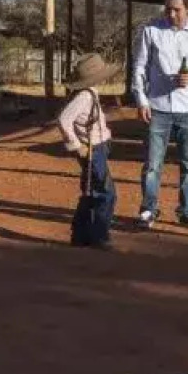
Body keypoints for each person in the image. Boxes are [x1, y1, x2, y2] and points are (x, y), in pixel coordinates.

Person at [130, 0, 188, 229]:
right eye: (168, 9)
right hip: (157, 108)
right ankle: (148, 209)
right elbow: (139, 67)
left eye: (177, 9)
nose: (171, 14)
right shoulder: (152, 31)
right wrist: (141, 100)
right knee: (152, 164)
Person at [55, 53, 123, 249]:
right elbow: (63, 119)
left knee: (90, 191)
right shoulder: (85, 95)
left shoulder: (89, 92)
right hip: (93, 149)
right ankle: (99, 235)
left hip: (97, 146)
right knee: (106, 192)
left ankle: (81, 234)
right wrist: (77, 145)